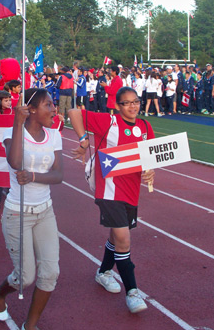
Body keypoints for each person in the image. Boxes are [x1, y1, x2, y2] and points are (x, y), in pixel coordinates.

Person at [68, 87, 155, 314]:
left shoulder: (145, 127)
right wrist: (83, 139)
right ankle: (133, 292)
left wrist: (150, 172)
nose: (133, 106)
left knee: (116, 236)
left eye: (136, 102)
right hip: (108, 192)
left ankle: (104, 272)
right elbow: (74, 113)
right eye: (126, 103)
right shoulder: (108, 122)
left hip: (131, 191)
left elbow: (149, 158)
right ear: (117, 106)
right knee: (124, 239)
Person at [0, 88, 63, 330]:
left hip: (45, 212)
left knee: (50, 273)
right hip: (17, 213)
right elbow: (15, 163)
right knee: (25, 278)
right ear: (32, 110)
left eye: (53, 104)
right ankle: (0, 293)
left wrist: (33, 176)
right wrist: (16, 122)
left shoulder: (54, 136)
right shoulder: (11, 133)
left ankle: (29, 326)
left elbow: (58, 175)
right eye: (48, 105)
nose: (54, 109)